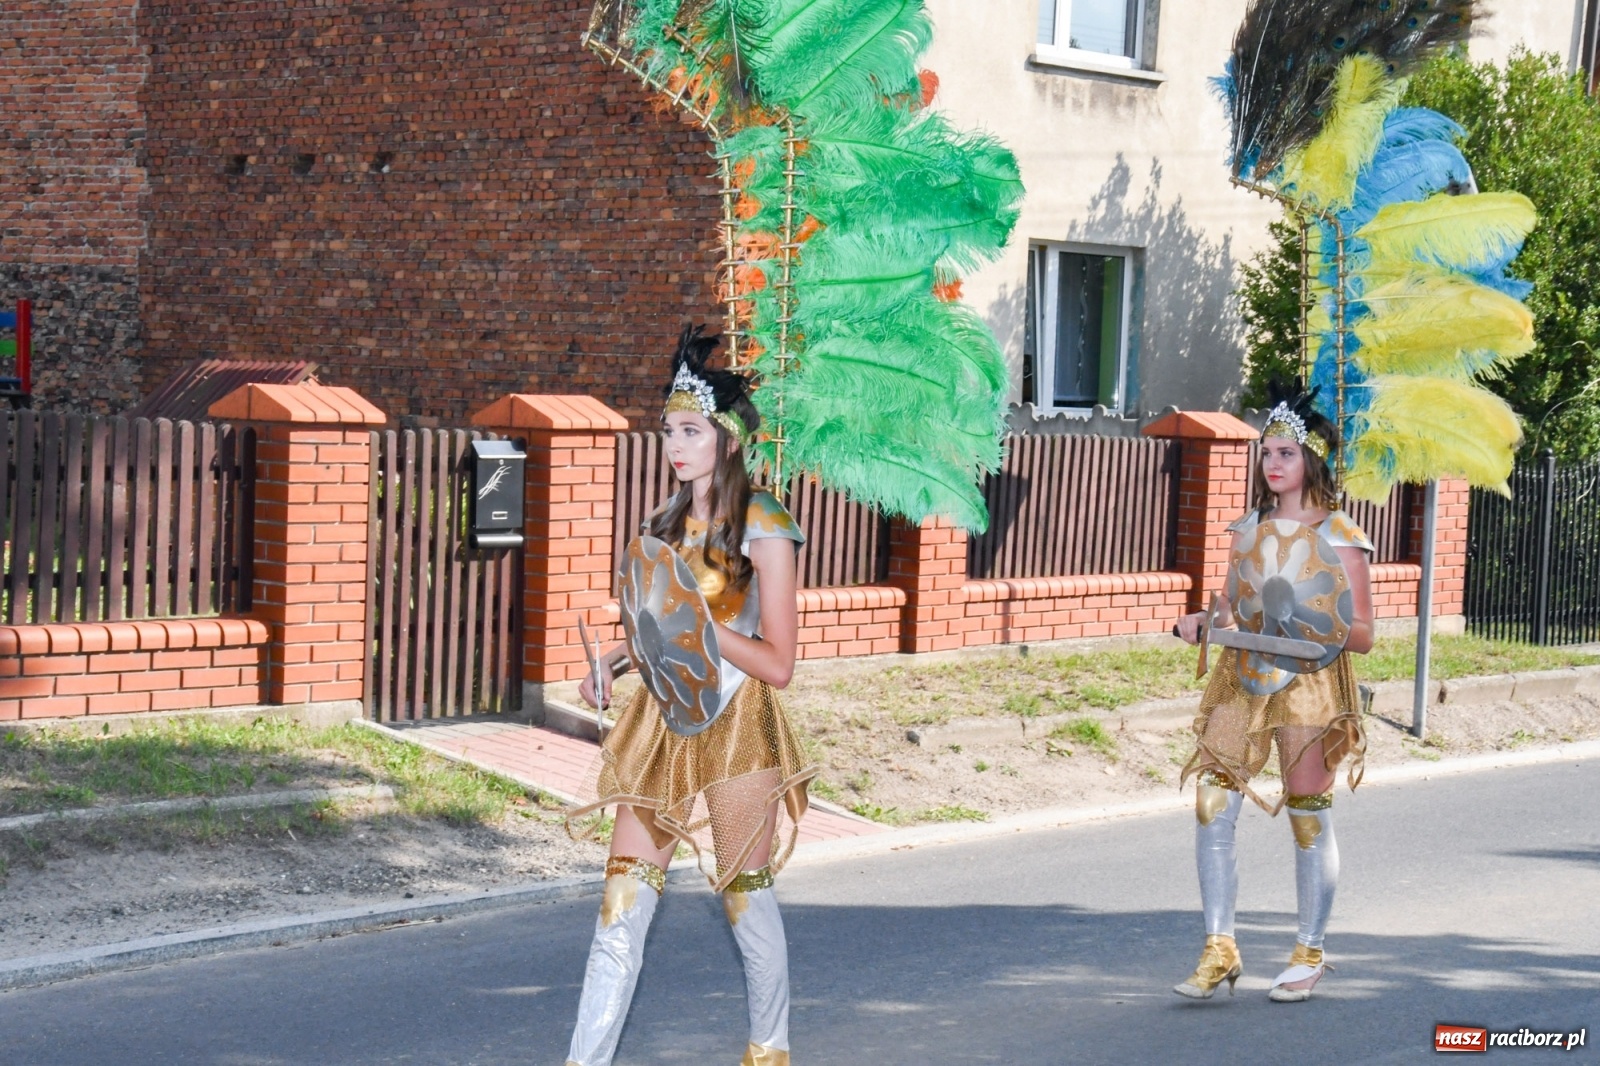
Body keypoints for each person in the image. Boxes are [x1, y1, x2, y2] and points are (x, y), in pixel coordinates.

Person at [563, 325, 817, 1066]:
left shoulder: (764, 522)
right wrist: (615, 662)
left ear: (727, 440)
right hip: (662, 722)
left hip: (739, 725)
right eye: (669, 431)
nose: (674, 446)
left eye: (690, 431)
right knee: (621, 905)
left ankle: (769, 1054)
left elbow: (778, 664)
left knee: (745, 899)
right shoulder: (664, 524)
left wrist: (703, 625)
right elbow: (661, 629)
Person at [1171, 389, 1374, 1004]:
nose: (1273, 463)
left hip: (1311, 682)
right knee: (1212, 799)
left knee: (1307, 813)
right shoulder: (1249, 528)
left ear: (1313, 459)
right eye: (1267, 453)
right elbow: (1232, 606)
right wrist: (1203, 621)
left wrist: (1310, 627)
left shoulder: (1340, 535)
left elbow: (1363, 634)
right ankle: (1219, 947)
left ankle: (1309, 952)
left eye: (1286, 452)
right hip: (1244, 673)